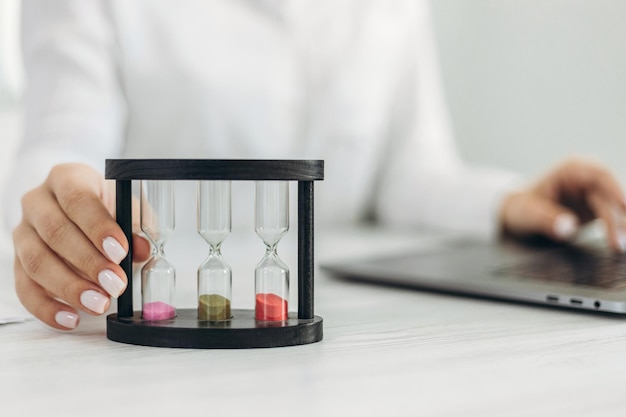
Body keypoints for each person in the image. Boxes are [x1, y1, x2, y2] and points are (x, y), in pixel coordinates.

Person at [4, 0, 625, 331]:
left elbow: (407, 172)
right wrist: (61, 205)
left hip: (365, 315)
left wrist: (508, 202)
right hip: (162, 290)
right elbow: (63, 137)